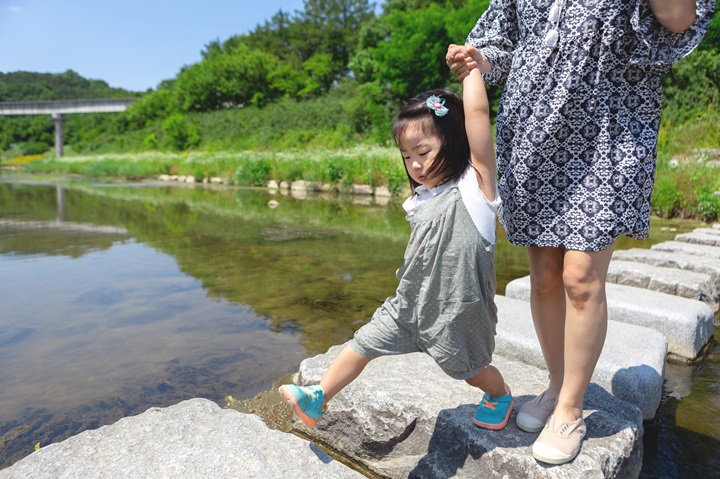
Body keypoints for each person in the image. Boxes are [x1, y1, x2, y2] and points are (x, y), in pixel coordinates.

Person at [446, 0, 713, 466]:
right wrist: (479, 60)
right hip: (534, 130)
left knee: (581, 277)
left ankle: (571, 409)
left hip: (608, 129)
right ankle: (557, 386)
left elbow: (678, 21)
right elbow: (503, 45)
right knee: (545, 275)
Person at [279, 59, 513, 432]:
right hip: (409, 305)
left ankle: (499, 394)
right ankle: (318, 395)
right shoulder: (421, 198)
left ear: (453, 143)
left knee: (470, 370)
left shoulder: (475, 188)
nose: (415, 165)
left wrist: (471, 73)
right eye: (407, 157)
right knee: (362, 344)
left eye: (423, 152)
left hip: (457, 311)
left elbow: (478, 116)